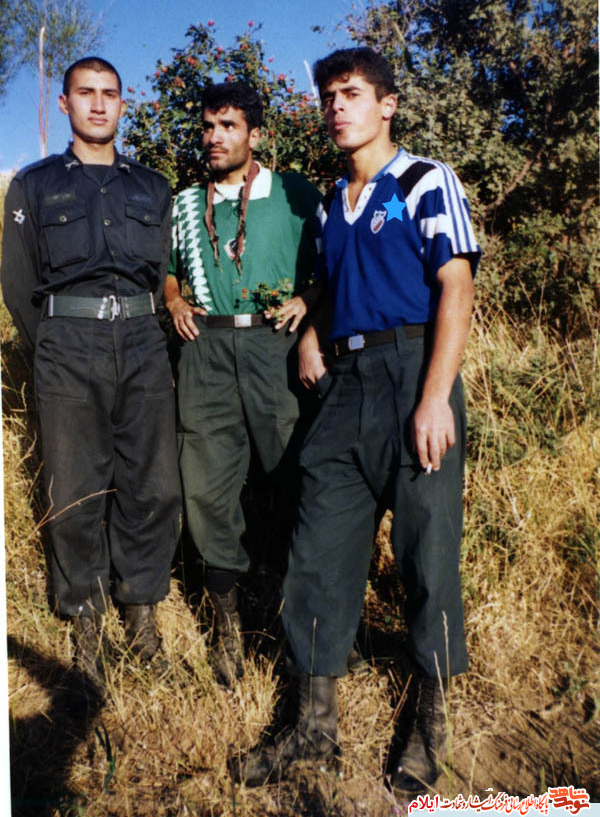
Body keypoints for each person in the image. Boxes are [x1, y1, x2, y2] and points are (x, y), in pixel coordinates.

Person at [237, 47, 480, 792]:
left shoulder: (425, 180)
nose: (337, 108)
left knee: (426, 553)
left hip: (413, 374)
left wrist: (434, 396)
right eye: (329, 98)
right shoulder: (329, 207)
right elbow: (331, 285)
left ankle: (429, 725)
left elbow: (456, 287)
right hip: (343, 387)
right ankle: (313, 730)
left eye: (351, 94)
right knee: (318, 549)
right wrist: (313, 331)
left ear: (387, 104)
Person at [1, 57, 182, 692]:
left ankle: (142, 617)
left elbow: (162, 273)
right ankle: (85, 623)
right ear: (65, 104)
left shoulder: (153, 187)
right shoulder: (34, 185)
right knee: (75, 489)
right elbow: (18, 281)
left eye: (110, 94)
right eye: (86, 93)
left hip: (142, 340)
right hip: (68, 345)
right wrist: (53, 341)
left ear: (123, 104)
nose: (99, 104)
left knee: (153, 485)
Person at [166, 82, 321, 688]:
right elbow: (167, 272)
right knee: (205, 487)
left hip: (273, 344)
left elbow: (334, 263)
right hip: (205, 348)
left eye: (227, 126)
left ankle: (302, 622)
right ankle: (227, 627)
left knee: (292, 477)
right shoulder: (185, 204)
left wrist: (308, 301)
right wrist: (175, 299)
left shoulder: (293, 193)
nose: (214, 137)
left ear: (255, 134)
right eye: (207, 127)